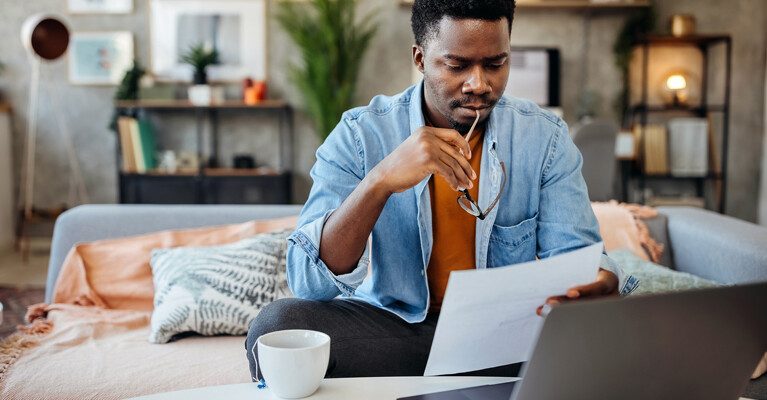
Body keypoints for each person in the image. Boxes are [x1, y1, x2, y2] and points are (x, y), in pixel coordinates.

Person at [246, 0, 638, 380]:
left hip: (499, 338)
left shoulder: (544, 138)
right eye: (457, 65)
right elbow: (307, 282)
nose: (479, 84)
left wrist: (598, 281)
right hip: (396, 332)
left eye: (496, 64)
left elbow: (577, 260)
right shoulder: (360, 134)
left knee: (631, 342)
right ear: (419, 59)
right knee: (277, 327)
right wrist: (381, 180)